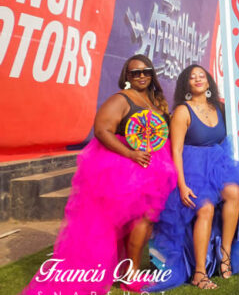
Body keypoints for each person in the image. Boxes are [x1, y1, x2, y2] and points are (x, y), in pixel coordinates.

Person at [24, 54, 177, 294]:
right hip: (127, 168)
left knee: (144, 222)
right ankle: (130, 274)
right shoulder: (121, 99)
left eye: (145, 71)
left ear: (151, 74)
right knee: (137, 220)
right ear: (127, 76)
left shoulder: (152, 100)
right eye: (135, 72)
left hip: (153, 167)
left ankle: (128, 271)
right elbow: (102, 130)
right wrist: (130, 154)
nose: (141, 76)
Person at [149, 65, 239, 290]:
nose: (198, 79)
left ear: (208, 81)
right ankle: (199, 273)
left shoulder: (218, 108)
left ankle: (225, 256)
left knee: (234, 192)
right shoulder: (182, 111)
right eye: (192, 77)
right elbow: (176, 151)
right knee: (205, 208)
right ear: (186, 84)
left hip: (216, 165)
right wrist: (182, 185)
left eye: (201, 76)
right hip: (190, 168)